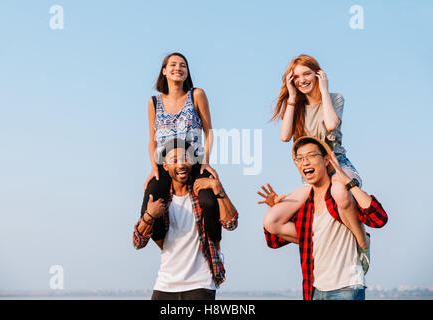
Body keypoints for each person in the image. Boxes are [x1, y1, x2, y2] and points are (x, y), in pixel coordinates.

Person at [258, 136, 388, 300]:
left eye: (312, 156)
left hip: (346, 287)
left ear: (327, 160)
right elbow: (273, 240)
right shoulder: (306, 207)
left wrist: (347, 181)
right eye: (300, 159)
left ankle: (364, 244)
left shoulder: (340, 196)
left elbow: (379, 219)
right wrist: (275, 208)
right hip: (315, 290)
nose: (305, 162)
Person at [264, 54, 368, 252]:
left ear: (318, 74)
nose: (302, 80)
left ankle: (362, 242)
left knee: (339, 192)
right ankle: (325, 243)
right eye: (296, 77)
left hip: (338, 165)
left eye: (307, 74)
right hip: (311, 174)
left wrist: (324, 90)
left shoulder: (335, 98)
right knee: (272, 221)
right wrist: (293, 98)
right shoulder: (296, 107)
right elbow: (285, 136)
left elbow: (330, 125)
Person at [133, 138, 238, 300]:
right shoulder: (161, 200)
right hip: (165, 284)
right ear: (165, 166)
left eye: (185, 159)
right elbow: (137, 243)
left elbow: (231, 224)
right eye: (174, 160)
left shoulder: (203, 195)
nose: (181, 164)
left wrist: (218, 188)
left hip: (200, 284)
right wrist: (150, 215)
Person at [141, 52, 222, 248]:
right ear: (164, 71)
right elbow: (152, 139)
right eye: (173, 65)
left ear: (187, 71)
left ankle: (215, 248)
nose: (178, 68)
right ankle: (166, 249)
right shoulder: (154, 102)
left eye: (183, 65)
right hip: (165, 164)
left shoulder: (196, 95)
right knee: (149, 207)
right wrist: (153, 167)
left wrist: (206, 162)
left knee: (209, 202)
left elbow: (209, 132)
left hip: (192, 162)